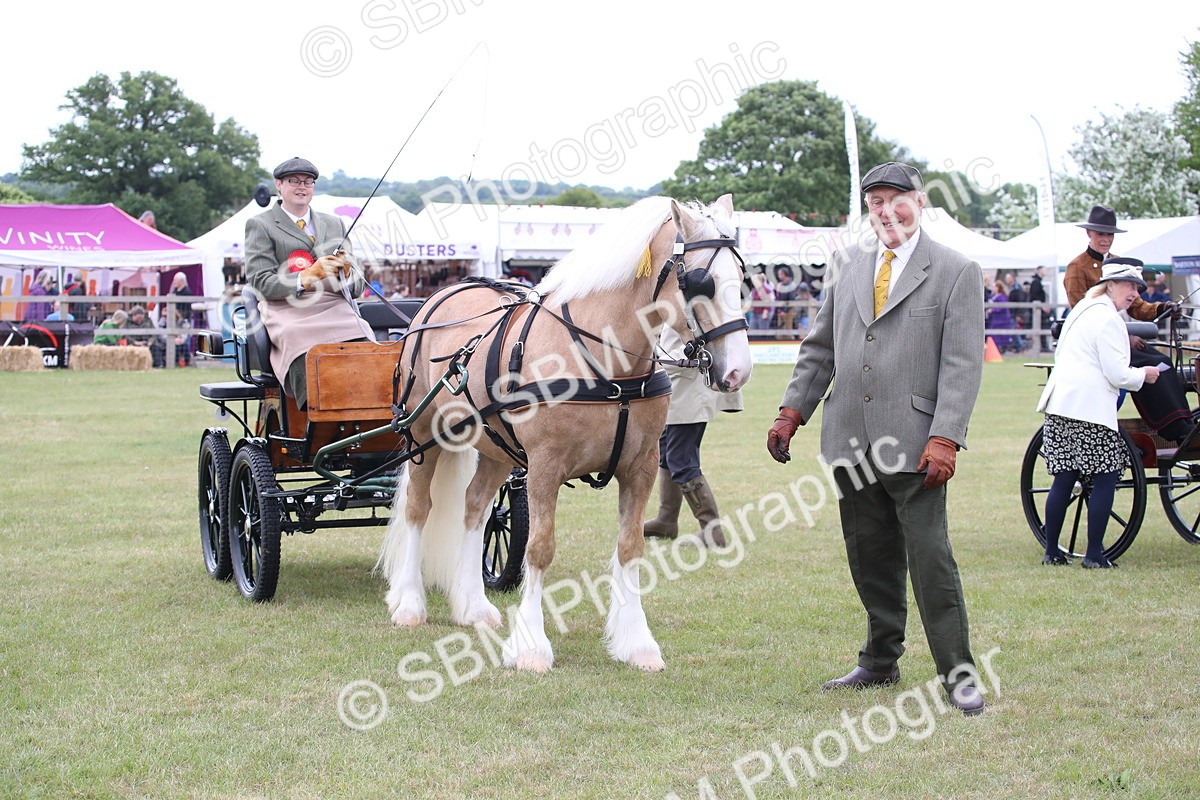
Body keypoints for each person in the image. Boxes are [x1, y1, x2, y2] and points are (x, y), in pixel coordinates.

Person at [766, 161, 986, 715]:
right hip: (850, 440)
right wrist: (793, 411)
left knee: (931, 560)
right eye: (875, 204)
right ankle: (880, 659)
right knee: (869, 557)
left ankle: (958, 675)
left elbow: (962, 365)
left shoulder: (957, 270)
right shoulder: (848, 265)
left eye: (896, 201)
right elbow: (821, 349)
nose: (886, 213)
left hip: (916, 444)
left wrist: (946, 437)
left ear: (920, 201)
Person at [1036, 259, 1160, 568]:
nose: (1135, 293)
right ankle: (1093, 555)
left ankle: (1052, 552)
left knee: (1064, 478)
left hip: (1060, 405)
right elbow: (1118, 375)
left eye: (1138, 288)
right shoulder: (1108, 319)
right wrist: (1144, 374)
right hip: (1090, 410)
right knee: (1106, 477)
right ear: (1112, 284)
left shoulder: (1081, 310)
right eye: (1131, 286)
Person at [244, 156, 372, 407]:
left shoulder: (334, 223)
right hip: (287, 310)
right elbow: (260, 282)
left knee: (365, 339)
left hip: (334, 307)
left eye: (308, 182)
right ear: (278, 185)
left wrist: (346, 272)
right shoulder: (261, 224)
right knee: (302, 344)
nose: (302, 187)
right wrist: (307, 276)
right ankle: (316, 416)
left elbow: (356, 285)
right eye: (294, 181)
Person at [1064, 206, 1191, 443]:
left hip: (1117, 336)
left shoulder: (1118, 263)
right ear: (1089, 234)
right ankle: (1172, 429)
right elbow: (1082, 313)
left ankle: (1184, 423)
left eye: (1109, 235)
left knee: (1163, 362)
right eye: (1101, 234)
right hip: (1096, 344)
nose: (1105, 240)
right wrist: (1124, 336)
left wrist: (1162, 308)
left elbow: (1137, 305)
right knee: (1152, 363)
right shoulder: (1077, 267)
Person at [643, 325, 742, 548]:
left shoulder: (694, 299)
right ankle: (666, 520)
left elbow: (698, 348)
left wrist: (657, 358)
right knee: (668, 453)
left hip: (690, 392)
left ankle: (712, 531)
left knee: (681, 460)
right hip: (678, 391)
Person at [987, 279, 1016, 353]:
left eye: (995, 287)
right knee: (993, 333)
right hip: (994, 318)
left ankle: (1001, 347)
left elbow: (1002, 307)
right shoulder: (992, 296)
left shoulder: (1002, 297)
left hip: (1001, 319)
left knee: (1000, 334)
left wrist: (993, 310)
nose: (993, 288)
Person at [1028, 266, 1050, 352]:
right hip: (1038, 310)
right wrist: (1042, 306)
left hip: (1040, 309)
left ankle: (1043, 346)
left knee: (1042, 327)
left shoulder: (1038, 282)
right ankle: (1042, 347)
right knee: (1041, 326)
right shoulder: (1036, 282)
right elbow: (1035, 296)